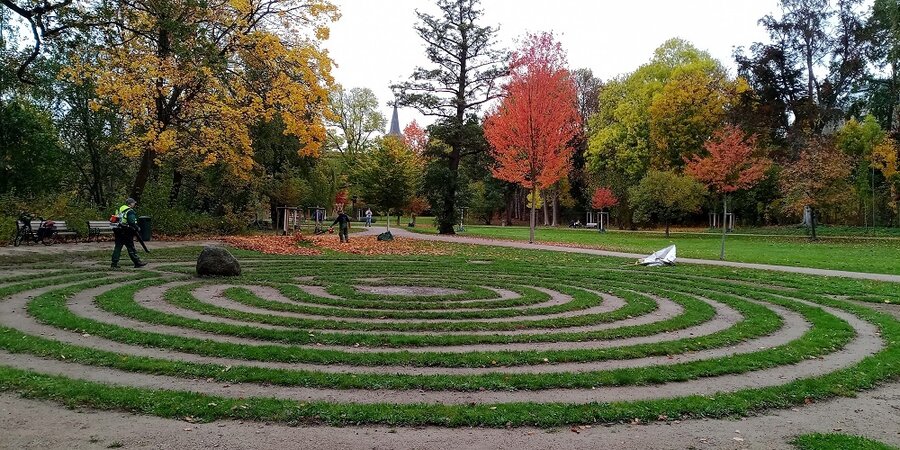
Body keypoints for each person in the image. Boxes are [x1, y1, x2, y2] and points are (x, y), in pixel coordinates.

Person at [111, 198, 147, 268]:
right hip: (126, 231)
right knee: (130, 247)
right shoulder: (130, 211)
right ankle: (137, 262)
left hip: (118, 230)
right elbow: (131, 222)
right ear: (130, 204)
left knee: (118, 247)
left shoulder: (119, 209)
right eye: (134, 203)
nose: (134, 204)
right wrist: (137, 228)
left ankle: (114, 263)